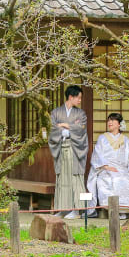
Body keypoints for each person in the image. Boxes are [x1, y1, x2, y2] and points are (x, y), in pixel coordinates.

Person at [86, 112, 129, 219]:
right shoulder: (102, 138)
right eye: (109, 120)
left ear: (119, 124)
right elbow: (98, 155)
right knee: (111, 179)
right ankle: (113, 209)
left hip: (121, 168)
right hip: (105, 168)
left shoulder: (126, 140)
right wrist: (106, 167)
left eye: (113, 120)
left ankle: (123, 209)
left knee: (126, 179)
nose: (109, 122)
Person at [48, 85, 89, 219]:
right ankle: (63, 209)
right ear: (71, 97)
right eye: (78, 97)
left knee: (74, 178)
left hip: (75, 149)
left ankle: (76, 211)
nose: (80, 100)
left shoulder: (81, 114)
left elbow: (81, 129)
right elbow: (52, 128)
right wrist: (67, 129)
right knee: (62, 179)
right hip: (61, 149)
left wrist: (65, 126)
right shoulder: (55, 112)